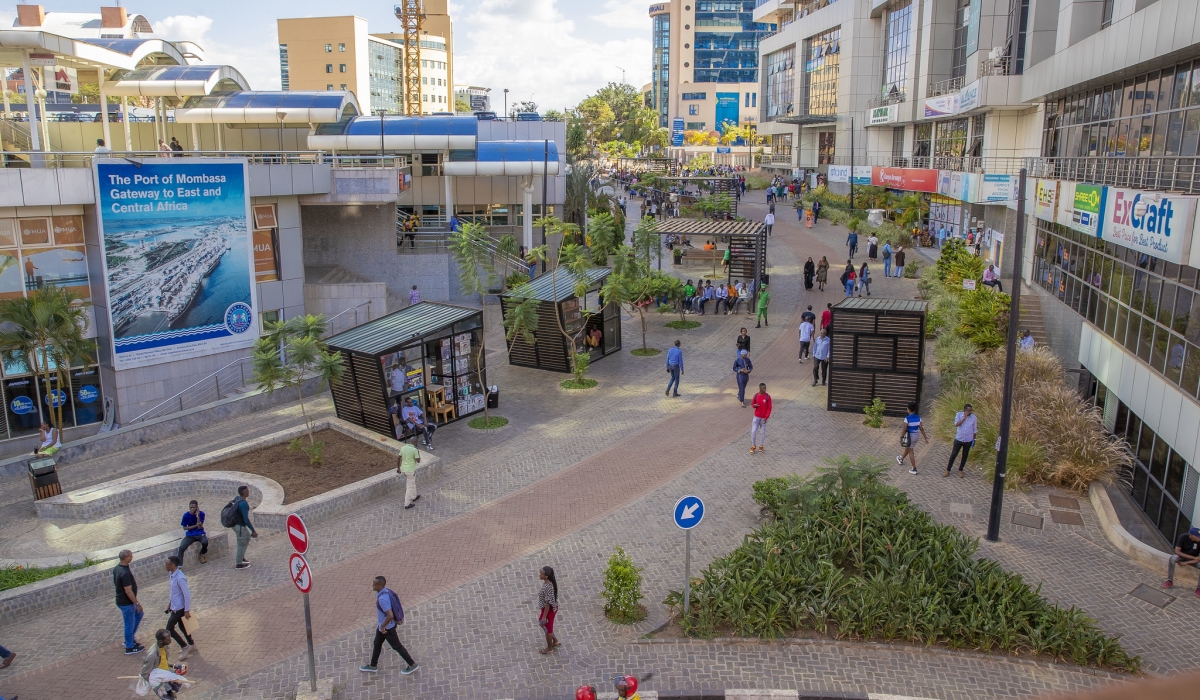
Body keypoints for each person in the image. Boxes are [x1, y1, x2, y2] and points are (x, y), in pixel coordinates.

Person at [360, 576, 419, 674]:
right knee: (377, 643)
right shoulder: (386, 591)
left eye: (374, 584)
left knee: (397, 646)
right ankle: (373, 665)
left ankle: (412, 664)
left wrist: (383, 626)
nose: (372, 586)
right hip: (383, 626)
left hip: (387, 628)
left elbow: (390, 615)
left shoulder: (382, 599)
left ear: (380, 585)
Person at [164, 556, 197, 660]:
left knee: (169, 629)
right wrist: (170, 603)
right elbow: (174, 592)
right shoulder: (172, 574)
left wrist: (186, 610)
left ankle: (184, 646)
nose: (165, 566)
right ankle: (191, 644)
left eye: (167, 564)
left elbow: (186, 595)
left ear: (173, 565)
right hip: (175, 606)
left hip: (179, 608)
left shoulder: (180, 578)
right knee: (183, 626)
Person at [114, 549, 145, 655]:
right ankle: (129, 647)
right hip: (126, 603)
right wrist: (137, 604)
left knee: (139, 614)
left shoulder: (117, 568)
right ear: (126, 558)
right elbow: (128, 591)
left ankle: (129, 639)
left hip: (124, 601)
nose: (132, 557)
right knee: (129, 624)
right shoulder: (124, 573)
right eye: (131, 556)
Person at [1162, 527, 1200, 596]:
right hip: (1182, 557)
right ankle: (1169, 580)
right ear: (1192, 535)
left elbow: (1199, 559)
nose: (1199, 538)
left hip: (1193, 561)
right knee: (1173, 558)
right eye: (1198, 536)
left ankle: (1199, 588)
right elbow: (1177, 551)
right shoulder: (1183, 537)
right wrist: (1193, 557)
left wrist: (1187, 562)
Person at [945, 403, 977, 478]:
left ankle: (960, 470)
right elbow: (956, 424)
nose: (970, 412)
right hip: (959, 439)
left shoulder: (974, 417)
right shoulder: (959, 415)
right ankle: (948, 469)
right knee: (954, 454)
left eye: (971, 410)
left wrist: (974, 439)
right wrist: (964, 419)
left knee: (965, 455)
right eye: (969, 410)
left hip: (968, 440)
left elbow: (975, 429)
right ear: (965, 410)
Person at [896, 401, 929, 475]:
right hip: (916, 435)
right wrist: (925, 438)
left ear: (908, 409)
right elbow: (921, 428)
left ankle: (914, 468)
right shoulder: (918, 418)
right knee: (908, 448)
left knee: (910, 451)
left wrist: (901, 437)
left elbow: (904, 429)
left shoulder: (907, 418)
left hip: (910, 436)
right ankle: (901, 459)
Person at [231, 485, 257, 569]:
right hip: (239, 526)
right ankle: (239, 564)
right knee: (241, 543)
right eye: (247, 491)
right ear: (243, 493)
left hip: (235, 524)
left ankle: (241, 556)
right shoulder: (243, 504)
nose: (248, 492)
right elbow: (246, 519)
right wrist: (253, 530)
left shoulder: (237, 498)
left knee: (246, 537)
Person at [537, 566, 560, 654]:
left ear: (546, 576)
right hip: (547, 609)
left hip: (548, 610)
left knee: (547, 628)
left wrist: (544, 616)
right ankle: (555, 641)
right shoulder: (548, 583)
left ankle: (549, 648)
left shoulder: (548, 587)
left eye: (541, 574)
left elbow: (548, 603)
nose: (539, 575)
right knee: (543, 624)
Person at [399, 438, 421, 509]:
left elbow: (398, 458)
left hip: (404, 469)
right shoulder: (414, 450)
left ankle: (414, 496)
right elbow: (418, 461)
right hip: (410, 470)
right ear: (415, 442)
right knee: (410, 487)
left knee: (412, 483)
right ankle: (407, 504)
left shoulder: (403, 448)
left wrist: (398, 468)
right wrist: (418, 452)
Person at [750, 383, 771, 453]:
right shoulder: (756, 396)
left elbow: (769, 408)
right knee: (753, 431)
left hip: (763, 418)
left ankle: (761, 446)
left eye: (765, 388)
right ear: (760, 388)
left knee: (762, 432)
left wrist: (766, 417)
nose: (765, 389)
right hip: (756, 417)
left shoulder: (767, 397)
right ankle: (753, 446)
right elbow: (752, 404)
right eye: (763, 388)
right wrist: (755, 405)